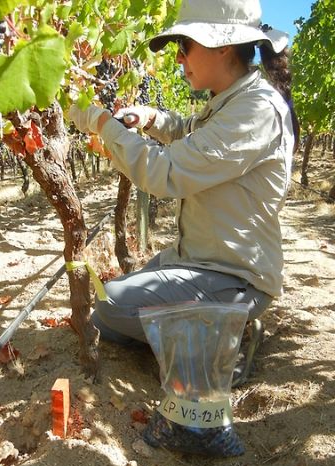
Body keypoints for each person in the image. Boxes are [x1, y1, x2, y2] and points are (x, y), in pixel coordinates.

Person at [69, 0, 299, 350]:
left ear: (222, 46)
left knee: (112, 305)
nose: (178, 57)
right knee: (108, 316)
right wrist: (150, 118)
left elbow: (165, 172)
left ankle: (227, 341)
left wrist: (101, 123)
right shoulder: (231, 100)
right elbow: (191, 131)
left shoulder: (255, 110)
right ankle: (212, 326)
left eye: (185, 46)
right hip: (201, 259)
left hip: (234, 277)